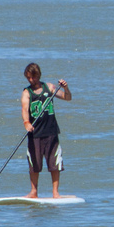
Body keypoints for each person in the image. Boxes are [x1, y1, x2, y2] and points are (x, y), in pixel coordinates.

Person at [20, 62, 72, 199]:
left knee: (54, 164)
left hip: (51, 132)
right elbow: (24, 109)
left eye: (34, 77)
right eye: (29, 78)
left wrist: (66, 88)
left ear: (39, 75)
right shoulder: (26, 93)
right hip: (35, 133)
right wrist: (26, 123)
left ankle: (55, 193)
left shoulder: (49, 87)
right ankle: (33, 192)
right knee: (34, 164)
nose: (31, 80)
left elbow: (67, 98)